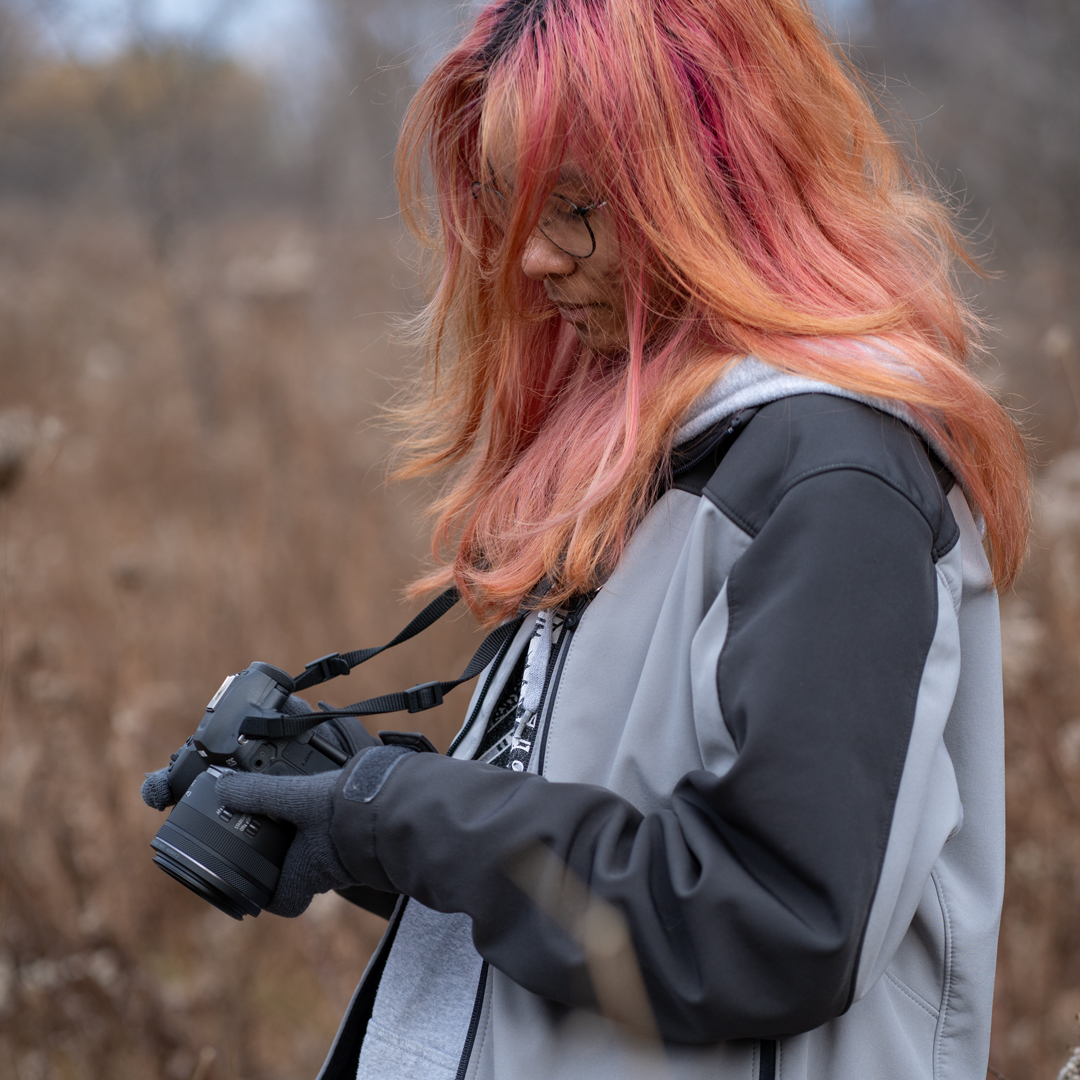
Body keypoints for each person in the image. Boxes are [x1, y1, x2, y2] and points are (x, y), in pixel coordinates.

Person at [146, 0, 1030, 1077]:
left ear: (716, 187)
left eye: (577, 207)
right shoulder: (673, 458)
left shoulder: (831, 478)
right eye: (514, 207)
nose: (534, 259)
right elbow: (606, 861)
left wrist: (407, 814)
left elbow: (766, 923)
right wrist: (343, 803)